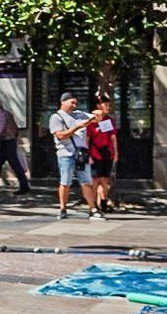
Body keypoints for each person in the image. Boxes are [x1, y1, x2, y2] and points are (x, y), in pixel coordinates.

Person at [49, 92, 103, 220]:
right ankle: (63, 208)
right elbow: (61, 136)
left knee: (86, 181)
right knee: (65, 182)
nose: (74, 105)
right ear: (63, 102)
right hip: (66, 154)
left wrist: (99, 114)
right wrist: (76, 127)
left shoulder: (79, 114)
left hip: (81, 154)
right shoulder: (56, 117)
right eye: (71, 102)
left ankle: (93, 208)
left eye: (75, 103)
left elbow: (96, 119)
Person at [0, 98, 30, 194]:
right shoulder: (6, 113)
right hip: (8, 142)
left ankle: (24, 187)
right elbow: (15, 128)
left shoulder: (1, 115)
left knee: (14, 164)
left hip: (7, 142)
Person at [85, 95, 120, 213]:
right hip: (95, 155)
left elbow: (113, 137)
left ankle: (104, 201)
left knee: (104, 180)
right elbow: (87, 139)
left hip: (107, 154)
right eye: (105, 105)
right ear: (98, 106)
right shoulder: (90, 122)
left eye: (108, 105)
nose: (107, 107)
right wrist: (87, 154)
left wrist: (115, 152)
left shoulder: (109, 120)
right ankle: (93, 203)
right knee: (95, 180)